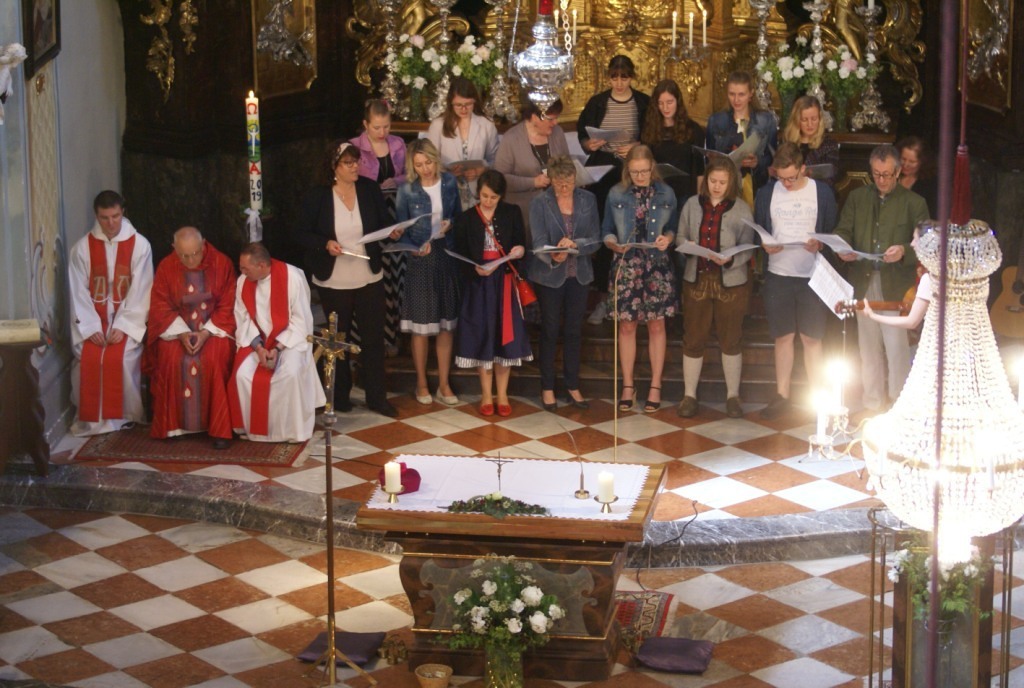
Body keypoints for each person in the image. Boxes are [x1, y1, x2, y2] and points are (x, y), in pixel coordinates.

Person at [297, 140, 397, 418]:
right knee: (338, 339)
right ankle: (339, 396)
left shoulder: (368, 188)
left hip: (368, 275)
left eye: (357, 162)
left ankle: (377, 397)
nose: (355, 167)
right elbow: (301, 233)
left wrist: (391, 231)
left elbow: (382, 223)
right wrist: (325, 243)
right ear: (334, 167)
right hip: (335, 279)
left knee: (373, 338)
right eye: (348, 163)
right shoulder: (318, 195)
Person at [834, 144, 929, 413]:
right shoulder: (857, 197)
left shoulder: (914, 202)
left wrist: (903, 251)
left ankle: (898, 406)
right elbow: (843, 231)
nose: (882, 180)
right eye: (876, 174)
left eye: (887, 174)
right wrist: (843, 248)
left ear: (898, 172)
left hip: (896, 285)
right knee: (868, 348)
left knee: (896, 348)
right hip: (863, 279)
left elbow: (927, 243)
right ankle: (872, 403)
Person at [754, 142, 837, 420]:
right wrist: (765, 244)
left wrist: (820, 244)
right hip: (779, 274)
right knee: (783, 336)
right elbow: (759, 229)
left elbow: (833, 230)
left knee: (812, 337)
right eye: (781, 178)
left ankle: (818, 398)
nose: (787, 184)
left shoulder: (821, 192)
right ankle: (782, 395)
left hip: (812, 275)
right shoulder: (767, 193)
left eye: (791, 177)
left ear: (803, 169)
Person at [68, 190, 153, 436]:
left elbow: (142, 290)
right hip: (94, 321)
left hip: (125, 320)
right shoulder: (82, 248)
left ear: (122, 212)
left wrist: (123, 326)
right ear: (97, 216)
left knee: (123, 357)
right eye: (105, 218)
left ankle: (125, 416)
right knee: (88, 357)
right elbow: (77, 292)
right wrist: (91, 327)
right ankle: (91, 419)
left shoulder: (140, 245)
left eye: (115, 216)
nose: (111, 223)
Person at [676, 157, 755, 419]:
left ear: (731, 183)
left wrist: (730, 259)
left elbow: (748, 246)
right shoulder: (691, 204)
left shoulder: (741, 209)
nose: (717, 186)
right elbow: (680, 236)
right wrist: (689, 247)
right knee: (693, 338)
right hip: (697, 279)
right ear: (706, 180)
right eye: (713, 181)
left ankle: (733, 396)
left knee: (731, 338)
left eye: (722, 182)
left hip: (730, 283)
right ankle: (689, 395)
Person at [603, 145, 678, 413]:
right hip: (628, 264)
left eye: (644, 171)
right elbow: (607, 230)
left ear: (652, 167)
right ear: (628, 170)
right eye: (635, 172)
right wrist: (613, 244)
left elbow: (673, 228)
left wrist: (667, 239)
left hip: (656, 265)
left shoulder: (666, 192)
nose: (640, 177)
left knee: (657, 325)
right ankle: (628, 385)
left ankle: (656, 385)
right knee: (627, 326)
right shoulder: (616, 193)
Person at [146, 227, 236, 448]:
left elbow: (229, 303)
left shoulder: (222, 263)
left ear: (203, 244)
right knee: (171, 359)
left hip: (214, 329)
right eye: (184, 255)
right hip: (177, 329)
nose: (190, 260)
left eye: (195, 253)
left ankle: (219, 429)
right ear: (174, 249)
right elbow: (160, 305)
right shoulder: (166, 267)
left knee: (213, 360)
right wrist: (182, 333)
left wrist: (206, 332)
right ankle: (174, 427)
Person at [578, 55, 651, 325]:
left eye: (624, 77)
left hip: (633, 173)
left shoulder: (642, 102)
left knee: (634, 232)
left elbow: (651, 134)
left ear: (632, 77)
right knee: (606, 234)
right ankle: (603, 299)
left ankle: (638, 299)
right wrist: (589, 144)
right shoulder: (598, 102)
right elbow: (583, 135)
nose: (619, 83)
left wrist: (637, 145)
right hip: (604, 172)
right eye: (614, 77)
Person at [228, 242, 326, 442]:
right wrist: (259, 347)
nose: (242, 272)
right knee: (243, 374)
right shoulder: (243, 281)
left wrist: (277, 348)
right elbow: (243, 318)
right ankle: (254, 430)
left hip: (289, 341)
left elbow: (301, 320)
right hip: (257, 341)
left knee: (290, 374)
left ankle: (291, 431)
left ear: (262, 265)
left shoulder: (293, 277)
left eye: (245, 268)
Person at [453, 170, 532, 416]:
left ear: (501, 196)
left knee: (504, 336)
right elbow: (459, 254)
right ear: (478, 192)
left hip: (504, 283)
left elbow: (521, 244)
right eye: (484, 196)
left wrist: (519, 251)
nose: (488, 201)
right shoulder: (466, 218)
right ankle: (486, 394)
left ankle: (503, 394)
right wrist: (473, 268)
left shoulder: (512, 213)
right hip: (479, 286)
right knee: (482, 334)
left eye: (493, 197)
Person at [529, 156, 601, 411]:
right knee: (549, 330)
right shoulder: (540, 202)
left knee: (573, 330)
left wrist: (576, 245)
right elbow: (537, 241)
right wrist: (553, 255)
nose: (564, 187)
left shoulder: (588, 200)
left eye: (568, 182)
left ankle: (572, 385)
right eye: (559, 182)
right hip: (550, 276)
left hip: (579, 274)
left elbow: (596, 239)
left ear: (575, 179)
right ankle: (547, 387)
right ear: (550, 180)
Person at [395, 138, 462, 406]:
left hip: (445, 254)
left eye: (429, 163)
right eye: (419, 165)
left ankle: (444, 383)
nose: (425, 169)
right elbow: (401, 228)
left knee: (446, 325)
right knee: (421, 327)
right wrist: (412, 247)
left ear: (436, 160)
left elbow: (459, 215)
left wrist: (450, 224)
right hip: (420, 260)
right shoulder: (407, 190)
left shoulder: (449, 182)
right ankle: (421, 382)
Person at [350, 99, 408, 356]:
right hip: (368, 211)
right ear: (365, 124)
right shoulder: (354, 146)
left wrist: (395, 181)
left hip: (395, 209)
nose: (382, 132)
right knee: (374, 276)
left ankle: (394, 335)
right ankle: (370, 337)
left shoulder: (398, 144)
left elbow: (409, 174)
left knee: (396, 275)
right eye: (376, 127)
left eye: (386, 126)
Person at [494, 98, 570, 235]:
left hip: (557, 210)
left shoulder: (557, 132)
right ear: (535, 117)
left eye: (556, 118)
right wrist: (533, 182)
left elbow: (567, 165)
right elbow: (500, 179)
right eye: (551, 119)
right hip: (524, 213)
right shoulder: (511, 138)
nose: (556, 122)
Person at [705, 70, 778, 209]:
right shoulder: (716, 120)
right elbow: (709, 158)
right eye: (732, 94)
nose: (736, 100)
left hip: (758, 186)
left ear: (751, 94)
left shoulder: (766, 120)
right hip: (727, 188)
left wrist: (757, 162)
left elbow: (774, 158)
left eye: (741, 94)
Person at [426, 77, 500, 210]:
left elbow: (495, 159)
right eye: (458, 105)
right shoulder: (438, 125)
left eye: (468, 104)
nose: (464, 109)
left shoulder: (486, 125)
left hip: (477, 190)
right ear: (450, 103)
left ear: (475, 101)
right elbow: (430, 159)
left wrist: (481, 170)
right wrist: (448, 172)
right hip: (447, 189)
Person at [641, 79, 705, 204]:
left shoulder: (693, 129)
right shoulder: (650, 129)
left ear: (677, 101)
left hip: (685, 193)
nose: (665, 108)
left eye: (669, 102)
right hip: (658, 193)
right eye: (660, 103)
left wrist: (698, 201)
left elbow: (700, 170)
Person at [862, 225, 932, 330]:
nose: (912, 244)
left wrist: (872, 315)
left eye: (915, 239)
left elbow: (911, 322)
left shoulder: (929, 279)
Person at [781, 95, 840, 191]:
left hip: (818, 193)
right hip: (790, 193)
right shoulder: (787, 143)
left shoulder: (829, 145)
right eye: (804, 120)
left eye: (814, 119)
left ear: (820, 119)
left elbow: (830, 179)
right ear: (797, 120)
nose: (810, 124)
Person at [896, 136, 937, 216]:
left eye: (912, 162)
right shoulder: (890, 175)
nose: (906, 165)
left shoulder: (930, 184)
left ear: (922, 162)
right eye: (903, 159)